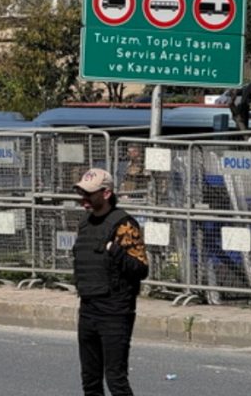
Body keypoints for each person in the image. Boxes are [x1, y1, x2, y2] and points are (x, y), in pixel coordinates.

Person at [72, 168, 149, 396]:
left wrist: (115, 250)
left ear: (106, 194)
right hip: (88, 308)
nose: (83, 199)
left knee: (115, 380)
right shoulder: (85, 224)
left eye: (89, 194)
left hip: (115, 311)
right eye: (81, 193)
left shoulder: (124, 225)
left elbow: (141, 268)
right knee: (90, 381)